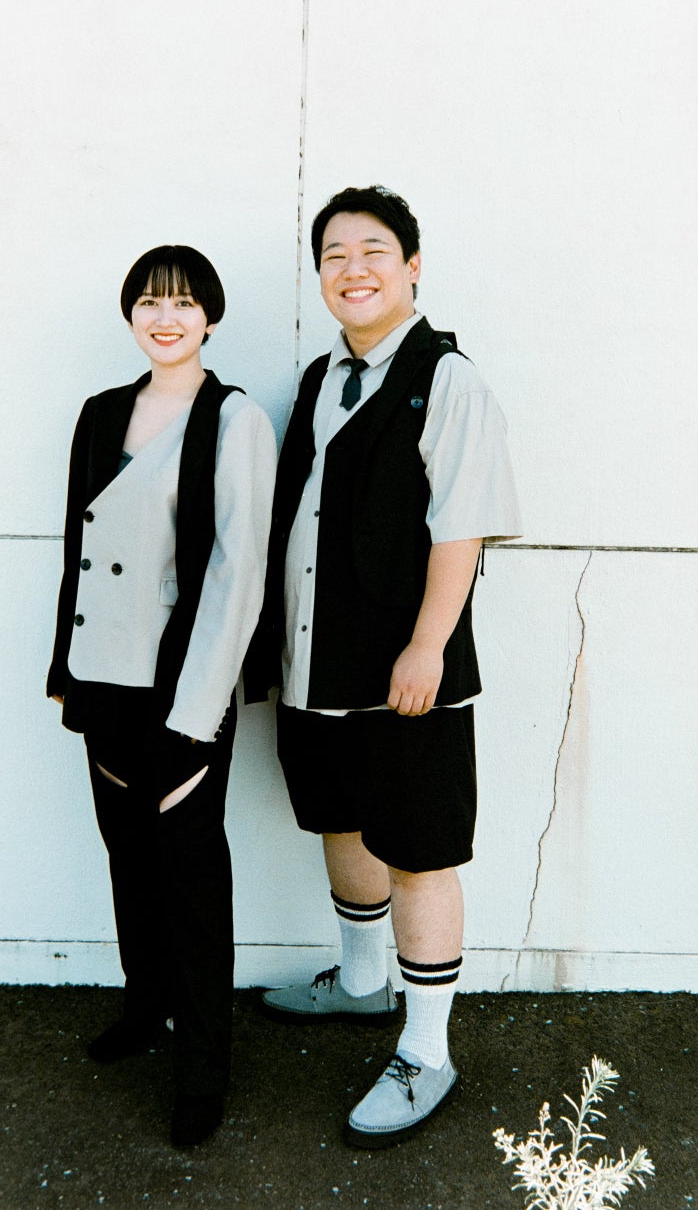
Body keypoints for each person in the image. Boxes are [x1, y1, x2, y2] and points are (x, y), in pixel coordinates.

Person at [246, 186, 521, 1148]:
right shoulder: (321, 378)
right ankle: (362, 982)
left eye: (372, 251)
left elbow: (462, 527)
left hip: (409, 672)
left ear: (411, 267)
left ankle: (427, 1050)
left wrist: (427, 645)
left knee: (418, 848)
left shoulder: (448, 381)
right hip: (317, 663)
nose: (352, 269)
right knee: (341, 818)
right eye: (333, 255)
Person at [47, 245, 276, 1147]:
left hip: (183, 685)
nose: (166, 318)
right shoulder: (102, 412)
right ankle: (145, 1009)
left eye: (183, 303)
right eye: (149, 301)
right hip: (103, 674)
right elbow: (78, 548)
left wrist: (199, 707)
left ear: (209, 317)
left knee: (190, 878)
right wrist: (65, 672)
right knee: (128, 858)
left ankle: (203, 1073)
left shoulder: (235, 418)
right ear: (131, 315)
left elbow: (238, 572)